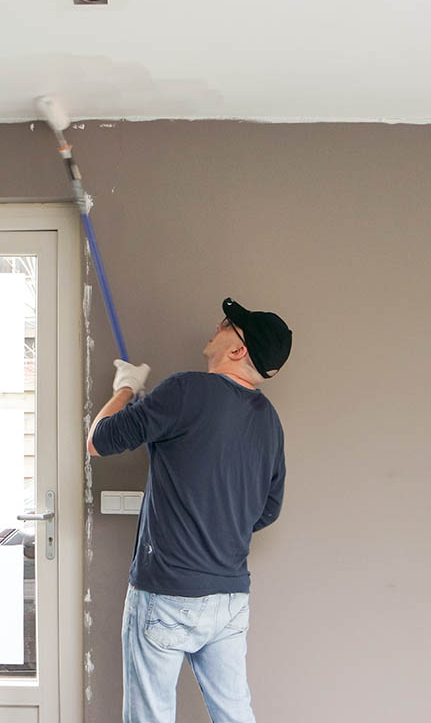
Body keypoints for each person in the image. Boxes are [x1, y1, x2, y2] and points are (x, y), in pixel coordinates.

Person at [87, 297, 293, 723]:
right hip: (230, 598)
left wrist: (125, 387)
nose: (216, 328)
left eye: (225, 325)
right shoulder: (269, 421)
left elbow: (98, 440)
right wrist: (221, 521)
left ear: (237, 351)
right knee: (236, 714)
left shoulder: (187, 389)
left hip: (166, 594)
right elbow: (267, 511)